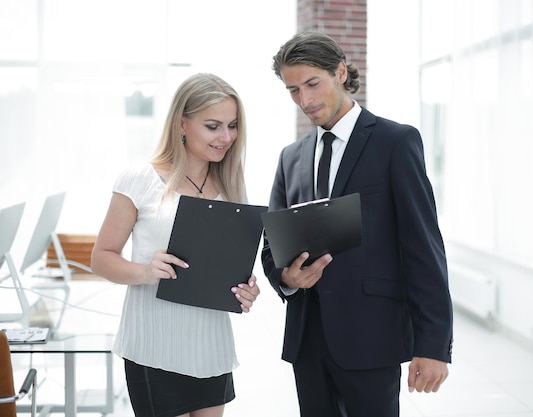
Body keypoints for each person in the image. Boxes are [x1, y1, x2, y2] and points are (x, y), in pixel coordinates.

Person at [261, 32, 454, 417]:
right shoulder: (291, 157)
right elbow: (272, 244)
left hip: (372, 333)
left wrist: (432, 345)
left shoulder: (395, 142)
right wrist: (286, 279)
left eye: (312, 84)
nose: (305, 100)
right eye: (293, 90)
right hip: (307, 339)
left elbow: (423, 246)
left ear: (340, 71)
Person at [91, 73, 260, 417]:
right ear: (182, 123)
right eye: (213, 126)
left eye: (232, 125)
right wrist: (145, 271)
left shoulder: (231, 186)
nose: (226, 137)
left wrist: (246, 289)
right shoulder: (139, 180)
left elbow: (226, 264)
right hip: (154, 345)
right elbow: (101, 258)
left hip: (210, 347)